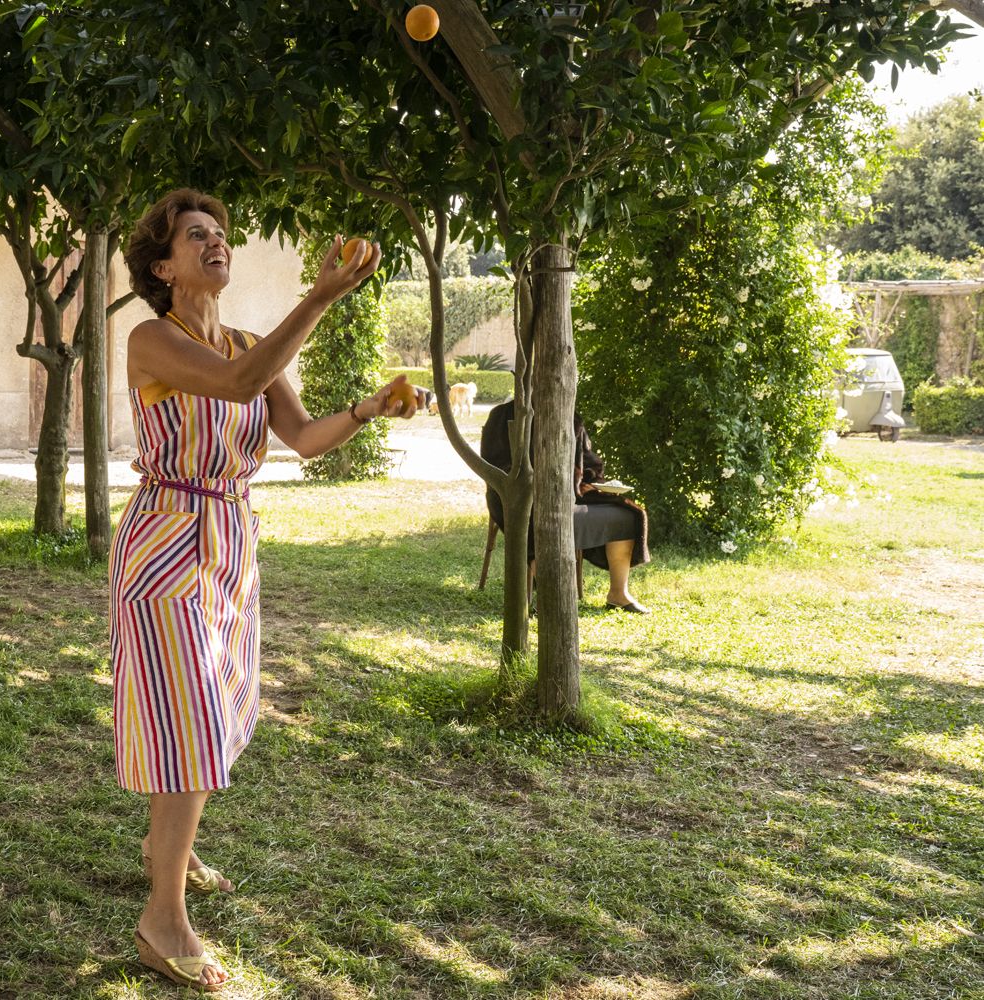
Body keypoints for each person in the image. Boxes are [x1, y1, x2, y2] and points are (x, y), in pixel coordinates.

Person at [112, 188, 416, 991]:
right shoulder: (151, 339)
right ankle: (163, 918)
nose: (216, 242)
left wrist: (368, 408)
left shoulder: (249, 341)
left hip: (230, 546)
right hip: (166, 542)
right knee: (193, 719)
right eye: (195, 235)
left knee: (211, 709)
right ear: (162, 267)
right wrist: (319, 297)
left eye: (220, 233)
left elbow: (305, 439)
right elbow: (239, 384)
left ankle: (164, 848)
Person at [479, 398, 651, 614]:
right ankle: (548, 597)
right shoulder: (503, 416)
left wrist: (594, 483)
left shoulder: (570, 416)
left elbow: (590, 463)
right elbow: (492, 465)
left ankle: (618, 593)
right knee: (544, 519)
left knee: (625, 515)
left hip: (572, 497)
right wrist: (533, 485)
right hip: (519, 497)